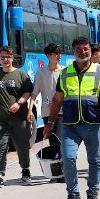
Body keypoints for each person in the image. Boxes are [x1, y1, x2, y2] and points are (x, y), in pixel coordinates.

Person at [46, 37, 100, 199]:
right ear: (73, 52)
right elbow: (57, 99)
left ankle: (93, 193)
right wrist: (50, 122)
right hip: (70, 124)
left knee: (94, 160)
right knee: (68, 158)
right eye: (78, 49)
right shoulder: (65, 73)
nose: (82, 51)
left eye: (85, 48)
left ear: (90, 51)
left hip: (93, 123)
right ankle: (73, 193)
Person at [0, 46, 33, 189]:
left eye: (7, 57)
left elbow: (28, 92)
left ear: (12, 58)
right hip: (0, 118)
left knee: (23, 146)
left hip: (20, 117)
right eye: (2, 57)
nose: (5, 60)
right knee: (0, 146)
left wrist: (19, 103)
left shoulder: (21, 75)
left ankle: (25, 170)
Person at [29, 43, 65, 181]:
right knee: (53, 141)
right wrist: (29, 110)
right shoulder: (41, 72)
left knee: (60, 139)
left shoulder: (64, 71)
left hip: (61, 111)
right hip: (46, 112)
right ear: (49, 56)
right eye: (56, 53)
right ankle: (55, 172)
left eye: (59, 53)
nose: (59, 56)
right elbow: (35, 92)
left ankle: (62, 171)